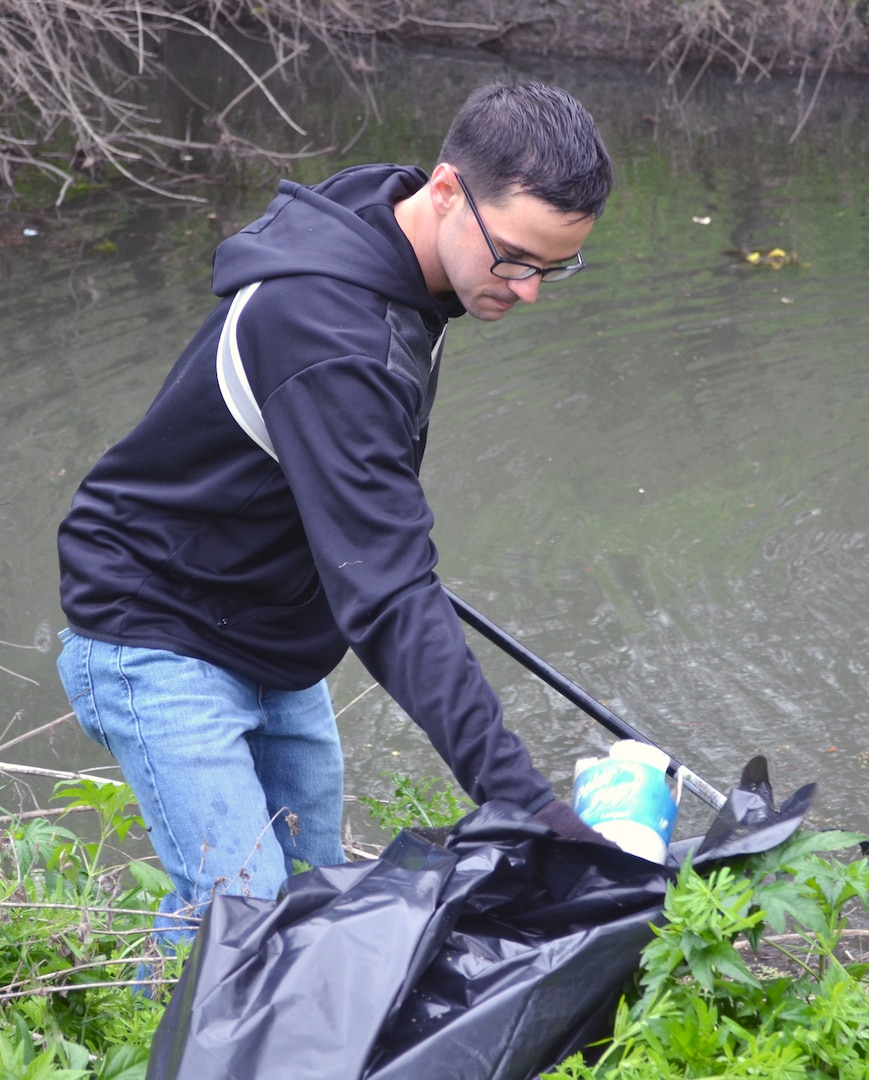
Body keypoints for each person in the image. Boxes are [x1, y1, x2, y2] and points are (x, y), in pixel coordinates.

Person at [56, 81, 616, 941]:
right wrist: (523, 801)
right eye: (515, 257)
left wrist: (369, 539)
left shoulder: (387, 229)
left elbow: (349, 501)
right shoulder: (327, 328)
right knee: (235, 918)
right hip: (155, 626)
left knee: (311, 900)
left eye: (554, 266)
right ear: (443, 190)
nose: (530, 289)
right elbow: (388, 596)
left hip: (270, 634)